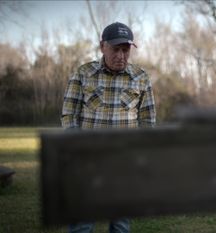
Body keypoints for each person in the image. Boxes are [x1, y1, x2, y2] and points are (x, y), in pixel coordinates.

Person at [61, 22, 156, 233]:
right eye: (116, 49)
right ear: (102, 46)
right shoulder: (83, 73)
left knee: (121, 224)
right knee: (82, 224)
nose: (121, 55)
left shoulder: (141, 77)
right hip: (87, 160)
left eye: (126, 49)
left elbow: (148, 122)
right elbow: (69, 114)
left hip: (124, 162)